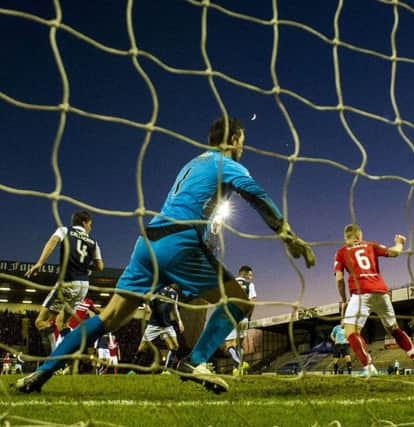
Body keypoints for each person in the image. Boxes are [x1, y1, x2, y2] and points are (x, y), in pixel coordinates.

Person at [16, 116, 315, 394]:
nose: (243, 147)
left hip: (147, 245)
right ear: (234, 139)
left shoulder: (192, 164)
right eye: (242, 140)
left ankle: (42, 371)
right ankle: (193, 361)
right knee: (238, 301)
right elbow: (257, 196)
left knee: (107, 318)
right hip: (178, 244)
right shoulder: (228, 163)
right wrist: (288, 237)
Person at [334, 224, 414, 376]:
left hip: (360, 293)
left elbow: (339, 279)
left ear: (346, 237)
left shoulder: (341, 252)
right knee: (394, 328)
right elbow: (395, 252)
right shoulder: (371, 245)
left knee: (351, 332)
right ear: (359, 235)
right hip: (381, 292)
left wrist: (344, 299)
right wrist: (400, 242)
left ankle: (369, 367)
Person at [24, 211, 103, 354]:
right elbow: (100, 266)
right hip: (83, 286)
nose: (90, 228)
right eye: (90, 224)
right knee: (62, 323)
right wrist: (84, 265)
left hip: (67, 283)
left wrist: (40, 263)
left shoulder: (65, 230)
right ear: (84, 222)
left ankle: (54, 359)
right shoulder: (94, 242)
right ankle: (72, 354)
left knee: (40, 322)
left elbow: (53, 241)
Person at [129, 283, 185, 374]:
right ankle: (133, 370)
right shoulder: (158, 289)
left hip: (167, 326)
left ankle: (167, 370)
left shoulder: (174, 294)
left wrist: (179, 321)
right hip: (154, 325)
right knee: (141, 349)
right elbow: (145, 299)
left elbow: (175, 309)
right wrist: (146, 306)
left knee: (175, 347)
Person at [224, 266, 255, 376]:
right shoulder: (249, 285)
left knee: (229, 345)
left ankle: (238, 364)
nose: (251, 278)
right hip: (244, 318)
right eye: (250, 275)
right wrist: (248, 317)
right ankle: (237, 369)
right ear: (245, 274)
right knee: (239, 345)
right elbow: (252, 301)